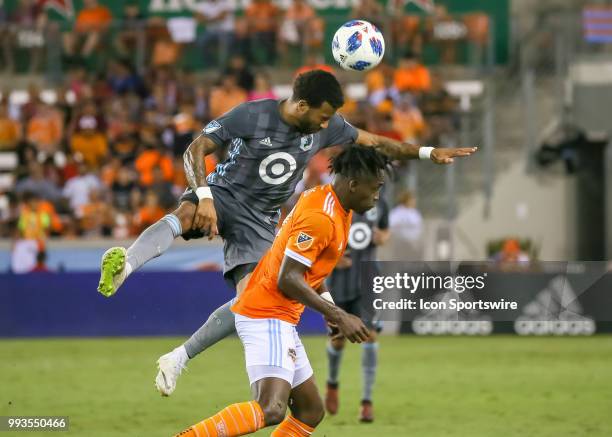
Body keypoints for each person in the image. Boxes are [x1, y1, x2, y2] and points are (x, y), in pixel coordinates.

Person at [96, 70, 476, 396]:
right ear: (301, 105)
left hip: (260, 222)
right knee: (187, 211)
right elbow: (195, 150)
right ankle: (126, 264)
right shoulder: (253, 115)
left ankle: (178, 357)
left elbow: (375, 142)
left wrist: (428, 153)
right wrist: (205, 197)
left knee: (252, 303)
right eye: (323, 116)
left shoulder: (327, 129)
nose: (328, 125)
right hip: (224, 194)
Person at [175, 146, 388, 437]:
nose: (376, 197)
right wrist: (339, 315)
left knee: (310, 411)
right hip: (267, 312)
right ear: (353, 184)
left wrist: (329, 306)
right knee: (270, 408)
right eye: (375, 189)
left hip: (279, 315)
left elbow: (310, 270)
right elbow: (288, 278)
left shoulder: (328, 200)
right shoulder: (321, 218)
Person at [325, 191, 390, 423]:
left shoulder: (380, 201)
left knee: (370, 336)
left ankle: (367, 402)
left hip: (368, 279)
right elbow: (322, 235)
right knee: (338, 339)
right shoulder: (337, 200)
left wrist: (381, 237)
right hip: (339, 280)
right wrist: (333, 258)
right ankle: (332, 383)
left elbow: (385, 232)